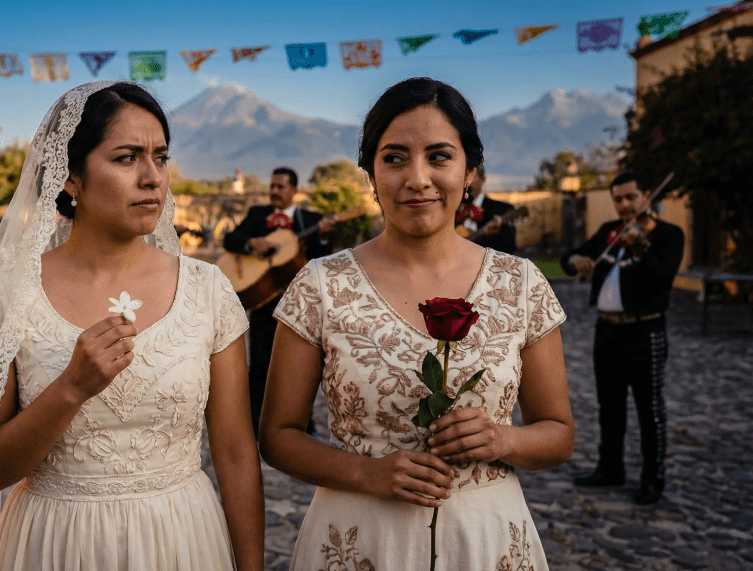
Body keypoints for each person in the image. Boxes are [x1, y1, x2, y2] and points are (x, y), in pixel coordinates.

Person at [0, 81, 264, 571]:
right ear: (70, 177)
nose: (153, 178)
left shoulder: (208, 290)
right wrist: (70, 388)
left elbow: (233, 453)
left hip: (182, 539)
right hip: (54, 544)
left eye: (161, 157)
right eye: (127, 158)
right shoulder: (7, 297)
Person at [259, 77, 574, 570]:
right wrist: (368, 475)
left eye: (440, 156)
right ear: (371, 175)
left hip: (483, 537)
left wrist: (502, 439)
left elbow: (558, 433)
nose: (418, 178)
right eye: (395, 157)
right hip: (358, 535)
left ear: (471, 171)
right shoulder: (320, 283)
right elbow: (277, 435)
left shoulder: (521, 282)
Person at [562, 170, 683, 505]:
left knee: (650, 408)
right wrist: (577, 261)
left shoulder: (668, 234)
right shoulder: (608, 232)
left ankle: (652, 478)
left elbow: (661, 276)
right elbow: (568, 258)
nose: (625, 204)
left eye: (632, 197)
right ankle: (610, 467)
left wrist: (641, 246)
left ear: (647, 196)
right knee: (609, 405)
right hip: (607, 329)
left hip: (645, 330)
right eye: (619, 199)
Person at [223, 167, 334, 435]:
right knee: (259, 365)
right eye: (272, 186)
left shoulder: (311, 218)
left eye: (280, 187)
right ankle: (252, 426)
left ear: (294, 190)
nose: (274, 191)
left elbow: (322, 256)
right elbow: (230, 239)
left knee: (301, 369)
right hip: (265, 303)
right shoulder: (257, 215)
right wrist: (252, 244)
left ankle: (302, 428)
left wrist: (321, 235)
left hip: (302, 307)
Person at [456, 165, 517, 254]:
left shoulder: (503, 210)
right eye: (462, 177)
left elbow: (508, 249)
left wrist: (480, 237)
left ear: (482, 180)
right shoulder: (450, 211)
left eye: (472, 176)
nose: (466, 182)